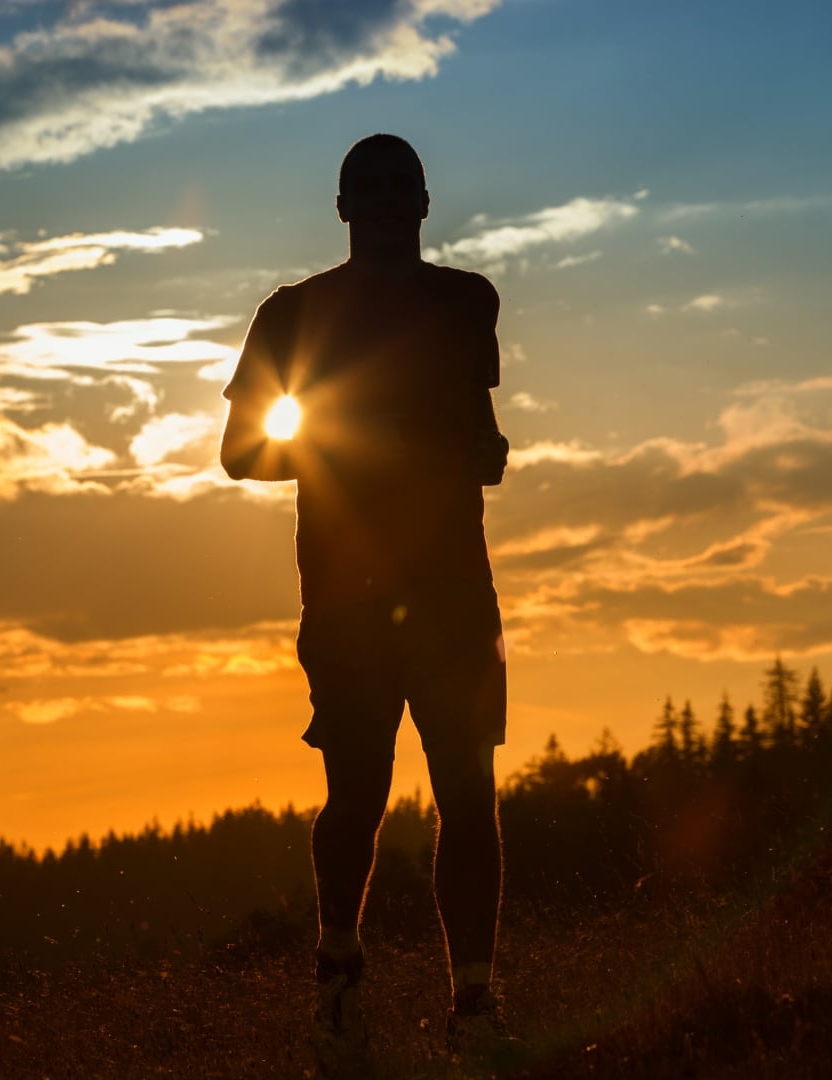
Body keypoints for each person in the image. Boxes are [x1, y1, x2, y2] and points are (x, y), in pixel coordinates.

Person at [220, 134, 517, 1076]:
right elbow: (239, 454)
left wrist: (486, 453)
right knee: (358, 800)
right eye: (370, 188)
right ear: (343, 208)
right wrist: (348, 452)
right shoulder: (291, 314)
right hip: (346, 599)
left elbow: (481, 429)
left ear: (425, 201)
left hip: (456, 596)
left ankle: (473, 998)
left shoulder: (468, 301)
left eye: (402, 187)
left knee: (471, 797)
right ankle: (339, 969)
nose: (388, 200)